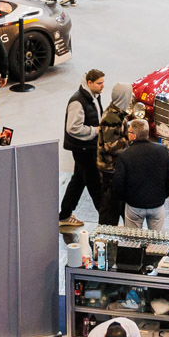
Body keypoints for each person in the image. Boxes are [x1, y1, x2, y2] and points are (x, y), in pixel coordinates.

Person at [59, 69, 107, 228]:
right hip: (83, 149)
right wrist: (95, 131)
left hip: (88, 147)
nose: (102, 86)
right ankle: (107, 221)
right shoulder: (78, 102)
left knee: (78, 181)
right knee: (95, 184)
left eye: (103, 82)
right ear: (89, 83)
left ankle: (65, 215)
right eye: (99, 83)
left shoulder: (93, 96)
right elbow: (73, 128)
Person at [114, 119, 169, 231]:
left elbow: (118, 182)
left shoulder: (124, 155)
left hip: (134, 206)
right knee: (157, 240)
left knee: (133, 239)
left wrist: (126, 199)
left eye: (129, 132)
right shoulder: (162, 150)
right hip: (156, 205)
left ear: (134, 136)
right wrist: (163, 195)